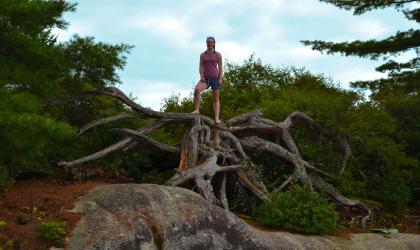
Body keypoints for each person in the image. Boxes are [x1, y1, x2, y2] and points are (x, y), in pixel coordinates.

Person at [191, 36, 223, 124]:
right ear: (206, 43)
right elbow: (200, 67)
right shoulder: (203, 55)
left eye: (211, 42)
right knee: (197, 90)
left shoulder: (218, 54)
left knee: (215, 98)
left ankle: (217, 118)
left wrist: (220, 78)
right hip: (205, 78)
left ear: (214, 43)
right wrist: (201, 76)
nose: (209, 44)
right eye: (208, 42)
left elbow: (220, 68)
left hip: (215, 78)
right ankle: (197, 110)